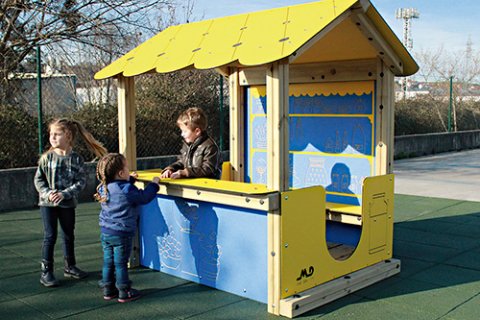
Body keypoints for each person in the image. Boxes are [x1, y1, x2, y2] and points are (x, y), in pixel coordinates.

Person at [34, 118, 107, 287]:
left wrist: (64, 194)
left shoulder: (76, 159)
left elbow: (81, 182)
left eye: (57, 134)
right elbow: (39, 180)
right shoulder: (46, 158)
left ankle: (70, 266)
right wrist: (48, 193)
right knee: (50, 236)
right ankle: (46, 272)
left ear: (68, 136)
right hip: (48, 205)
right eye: (51, 134)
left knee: (68, 234)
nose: (52, 137)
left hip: (67, 205)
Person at [95, 153, 160, 303]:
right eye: (127, 168)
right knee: (120, 263)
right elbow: (143, 197)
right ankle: (124, 291)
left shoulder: (104, 188)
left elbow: (119, 187)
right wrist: (154, 184)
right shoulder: (127, 189)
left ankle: (108, 289)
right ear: (120, 173)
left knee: (108, 261)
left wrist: (130, 178)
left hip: (106, 231)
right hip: (121, 233)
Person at [161, 107, 222, 179]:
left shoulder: (210, 147)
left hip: (207, 187)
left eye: (185, 131)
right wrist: (170, 169)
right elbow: (182, 162)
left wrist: (185, 172)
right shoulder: (187, 145)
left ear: (197, 131)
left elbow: (208, 168)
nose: (182, 134)